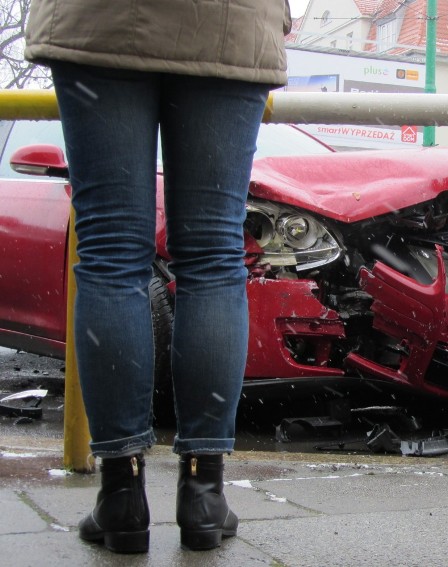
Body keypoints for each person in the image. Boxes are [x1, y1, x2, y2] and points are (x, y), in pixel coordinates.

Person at [25, 1, 291, 554]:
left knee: (110, 252)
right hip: (227, 22)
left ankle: (121, 493)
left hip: (100, 20)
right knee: (214, 255)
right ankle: (203, 491)